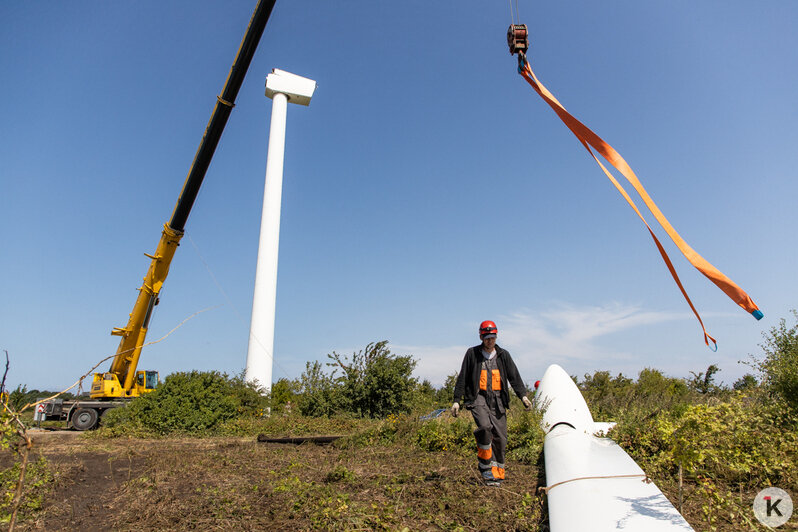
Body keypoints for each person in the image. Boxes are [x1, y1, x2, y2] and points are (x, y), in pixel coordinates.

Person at [452, 320, 531, 486]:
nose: (490, 341)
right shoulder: (472, 354)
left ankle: (497, 473)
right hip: (478, 398)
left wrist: (523, 396)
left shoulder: (503, 355)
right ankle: (486, 468)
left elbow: (514, 377)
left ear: (496, 337)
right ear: (481, 337)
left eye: (492, 338)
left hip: (498, 401)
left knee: (501, 438)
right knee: (485, 428)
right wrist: (457, 401)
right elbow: (463, 377)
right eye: (487, 337)